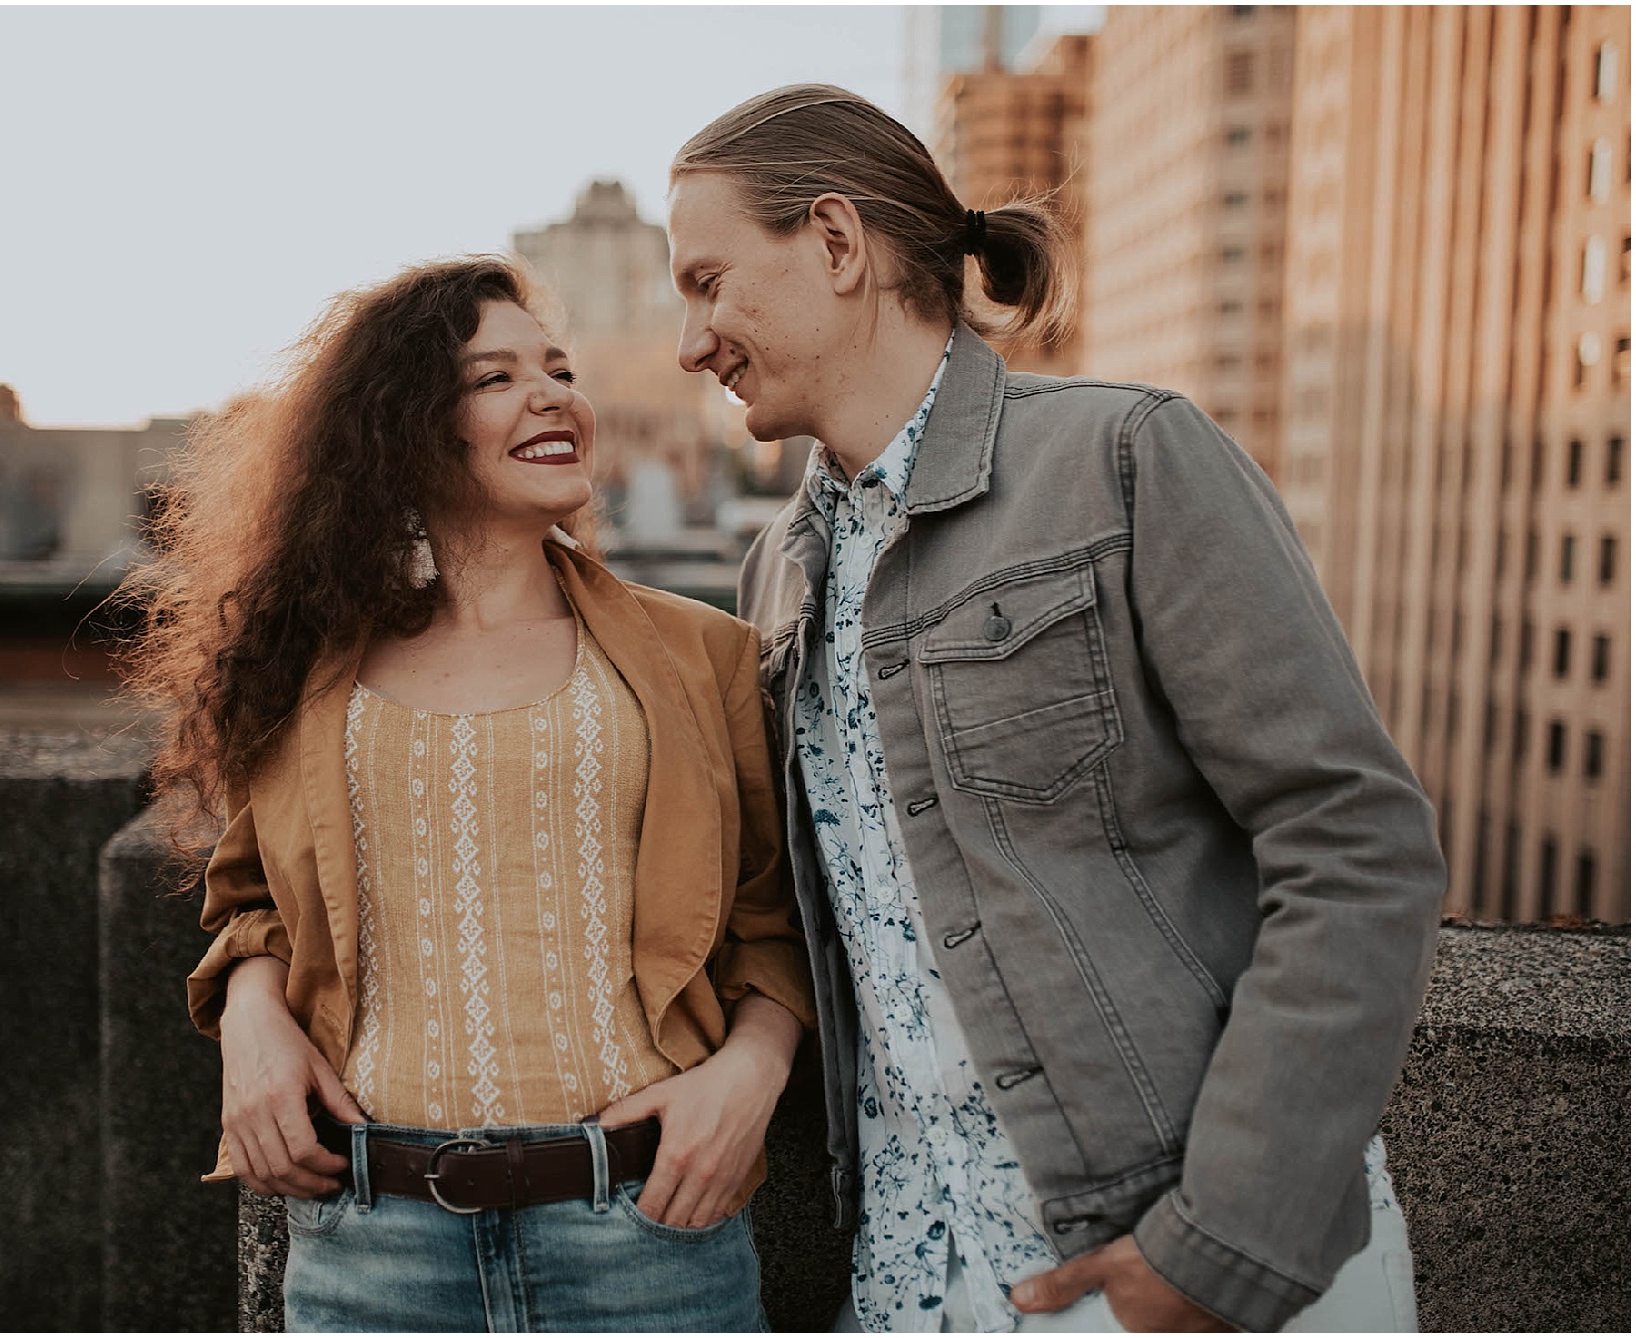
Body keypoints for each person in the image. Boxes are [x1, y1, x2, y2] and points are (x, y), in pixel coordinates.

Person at [663, 85, 1447, 1333]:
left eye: (706, 281)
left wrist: (1216, 1239)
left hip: (1175, 1265)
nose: (690, 342)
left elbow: (1353, 845)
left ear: (834, 241)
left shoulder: (1127, 458)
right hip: (915, 1281)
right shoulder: (773, 577)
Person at [123, 257, 813, 1332]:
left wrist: (751, 1076)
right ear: (401, 429)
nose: (551, 395)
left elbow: (776, 917)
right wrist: (253, 1021)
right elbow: (249, 897)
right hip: (371, 1245)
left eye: (558, 369)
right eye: (494, 378)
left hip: (645, 1231)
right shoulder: (312, 673)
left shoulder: (701, 656)